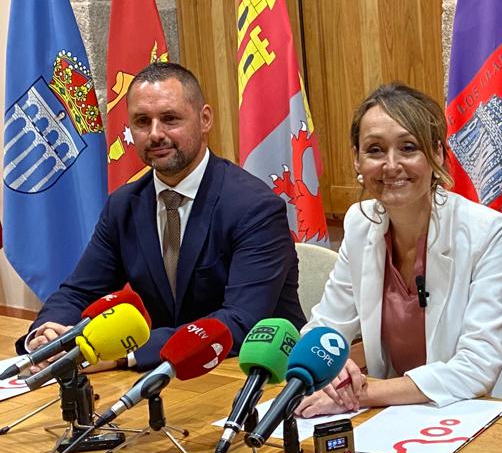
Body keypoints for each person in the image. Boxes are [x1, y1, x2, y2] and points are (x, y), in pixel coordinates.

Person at [20, 62, 305, 370]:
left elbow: (240, 320)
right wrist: (50, 334)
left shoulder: (254, 207)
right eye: (142, 121)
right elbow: (79, 291)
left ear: (204, 119)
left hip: (250, 376)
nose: (155, 134)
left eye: (170, 119)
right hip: (160, 380)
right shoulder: (124, 205)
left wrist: (122, 356)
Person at [295, 83, 502, 415]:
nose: (392, 165)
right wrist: (329, 371)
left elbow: (477, 367)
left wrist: (362, 393)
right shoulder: (359, 224)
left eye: (409, 147)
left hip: (496, 410)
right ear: (356, 159)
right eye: (375, 150)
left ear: (437, 154)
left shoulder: (485, 230)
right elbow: (323, 327)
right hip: (406, 414)